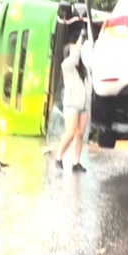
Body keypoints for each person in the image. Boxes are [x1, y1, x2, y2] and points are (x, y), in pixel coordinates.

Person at [53, 29, 90, 172]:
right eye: (73, 49)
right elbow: (75, 56)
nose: (77, 49)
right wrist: (81, 37)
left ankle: (76, 162)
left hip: (83, 106)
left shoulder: (83, 71)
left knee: (79, 134)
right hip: (71, 105)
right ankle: (58, 158)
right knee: (70, 131)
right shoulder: (66, 66)